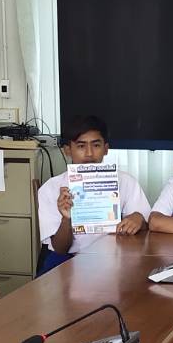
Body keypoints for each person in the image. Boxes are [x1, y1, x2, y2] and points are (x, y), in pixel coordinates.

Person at [35, 114, 151, 275]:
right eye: (81, 146)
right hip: (68, 260)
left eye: (96, 145)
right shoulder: (52, 188)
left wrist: (139, 219)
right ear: (67, 150)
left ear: (106, 148)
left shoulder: (125, 181)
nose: (89, 153)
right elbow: (60, 249)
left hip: (115, 259)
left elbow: (146, 226)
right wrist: (66, 219)